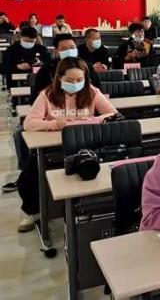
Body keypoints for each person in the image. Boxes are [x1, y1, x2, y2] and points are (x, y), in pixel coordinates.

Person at [18, 57, 117, 231]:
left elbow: (113, 114)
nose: (75, 84)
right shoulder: (47, 94)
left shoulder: (92, 92)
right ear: (59, 78)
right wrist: (55, 124)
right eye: (70, 80)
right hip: (54, 148)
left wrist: (92, 120)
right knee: (29, 175)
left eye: (79, 80)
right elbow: (29, 123)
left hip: (85, 145)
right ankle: (32, 211)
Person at [33, 33, 101, 97]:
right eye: (64, 49)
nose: (69, 51)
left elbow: (98, 90)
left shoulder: (87, 67)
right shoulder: (47, 68)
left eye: (72, 48)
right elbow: (38, 92)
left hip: (84, 102)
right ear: (56, 50)